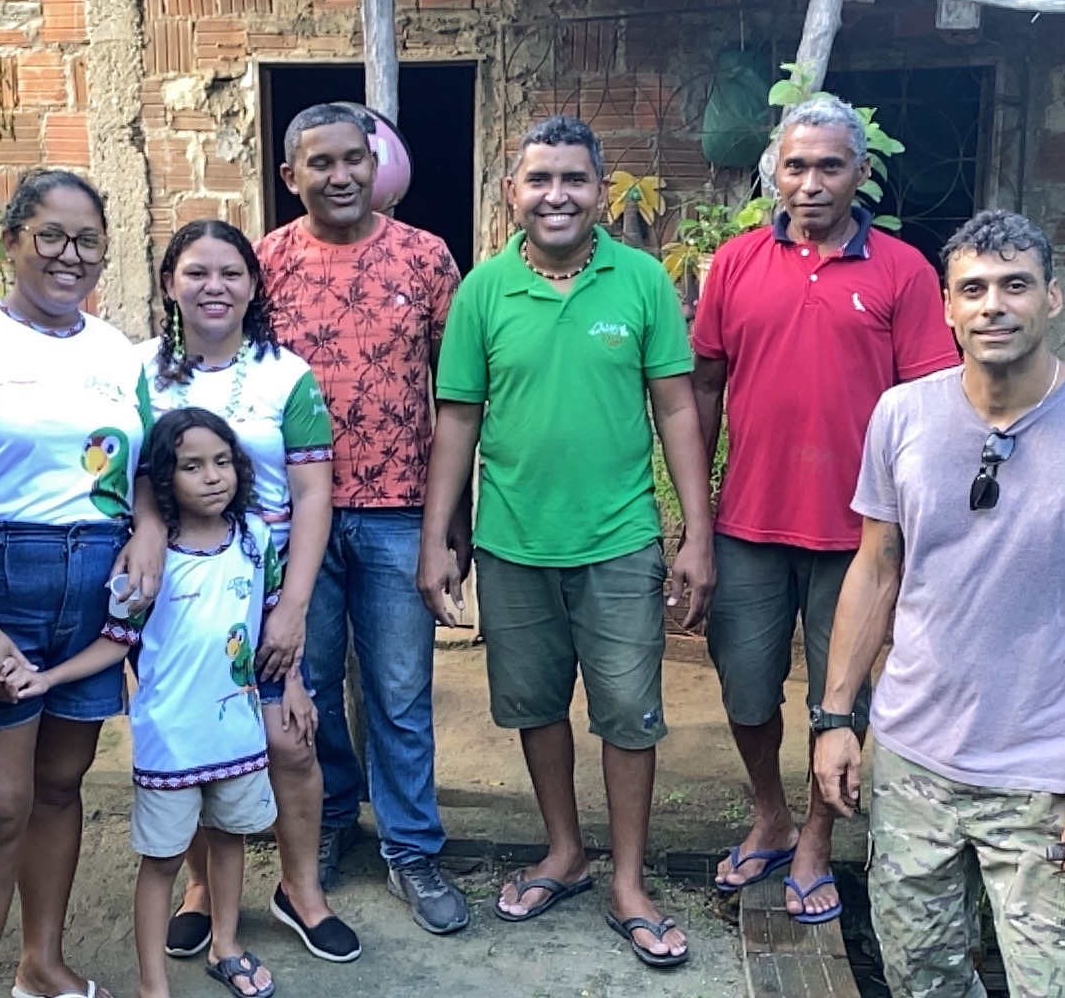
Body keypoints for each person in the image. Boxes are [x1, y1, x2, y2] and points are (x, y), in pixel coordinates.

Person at [810, 210, 1065, 995]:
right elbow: (876, 569)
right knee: (922, 979)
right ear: (946, 307)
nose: (993, 306)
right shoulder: (903, 416)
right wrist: (836, 717)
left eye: (1016, 285)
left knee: (1058, 985)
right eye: (973, 289)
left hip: (1045, 776)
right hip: (914, 761)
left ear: (1053, 297)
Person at [418, 115, 715, 969]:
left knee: (628, 713)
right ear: (511, 191)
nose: (557, 195)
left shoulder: (642, 281)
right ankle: (564, 851)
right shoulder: (483, 291)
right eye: (540, 179)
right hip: (513, 542)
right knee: (534, 705)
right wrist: (438, 539)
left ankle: (628, 881)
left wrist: (696, 534)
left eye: (575, 179)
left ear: (600, 192)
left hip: (619, 540)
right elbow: (458, 420)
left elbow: (676, 409)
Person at [688, 93, 960, 921]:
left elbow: (929, 409)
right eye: (795, 166)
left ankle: (814, 838)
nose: (810, 183)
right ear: (775, 172)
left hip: (860, 536)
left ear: (860, 173)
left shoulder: (904, 272)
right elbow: (705, 385)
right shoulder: (735, 263)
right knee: (745, 687)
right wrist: (695, 516)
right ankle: (770, 812)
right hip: (749, 523)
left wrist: (916, 530)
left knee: (837, 701)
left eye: (829, 166)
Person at [0, 169, 157, 998]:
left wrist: (148, 533)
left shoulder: (116, 352)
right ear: (11, 240)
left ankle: (42, 964)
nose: (70, 255)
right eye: (50, 236)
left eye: (87, 240)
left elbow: (144, 470)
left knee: (60, 787)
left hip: (94, 581)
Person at [257, 103, 470, 935]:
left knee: (400, 689)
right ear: (292, 176)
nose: (341, 176)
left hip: (398, 512)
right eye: (322, 163)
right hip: (292, 520)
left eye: (354, 159)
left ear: (375, 166)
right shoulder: (267, 262)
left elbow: (458, 401)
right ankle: (332, 815)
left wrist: (451, 522)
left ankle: (411, 847)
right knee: (304, 683)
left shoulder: (426, 256)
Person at [136, 220, 361, 964]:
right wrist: (148, 535)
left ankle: (301, 890)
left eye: (231, 273)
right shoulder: (140, 374)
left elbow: (313, 492)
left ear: (254, 285)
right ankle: (202, 888)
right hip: (177, 597)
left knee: (290, 740)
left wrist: (293, 606)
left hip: (266, 586)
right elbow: (136, 478)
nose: (215, 287)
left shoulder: (285, 375)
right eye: (196, 272)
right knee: (194, 738)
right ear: (170, 283)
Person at [2, 408, 285, 998]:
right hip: (170, 744)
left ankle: (226, 946)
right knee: (161, 862)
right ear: (161, 479)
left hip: (238, 736)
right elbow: (115, 642)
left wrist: (296, 688)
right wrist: (48, 679)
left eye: (222, 461)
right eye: (191, 466)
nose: (213, 476)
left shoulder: (256, 541)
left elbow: (271, 630)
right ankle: (152, 985)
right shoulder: (148, 562)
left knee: (229, 839)